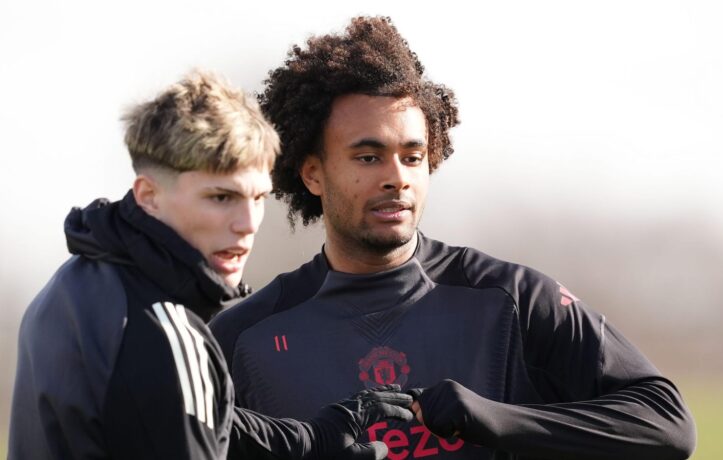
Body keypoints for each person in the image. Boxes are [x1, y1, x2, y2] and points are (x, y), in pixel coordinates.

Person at [209, 17, 697, 460]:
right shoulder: (243, 336)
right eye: (368, 157)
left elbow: (666, 424)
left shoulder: (513, 301)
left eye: (412, 157)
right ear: (313, 173)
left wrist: (492, 419)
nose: (397, 178)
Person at [8, 70, 413, 460]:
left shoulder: (75, 285)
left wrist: (312, 441)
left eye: (258, 198)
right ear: (149, 195)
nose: (247, 224)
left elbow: (199, 419)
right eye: (221, 198)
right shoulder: (165, 332)